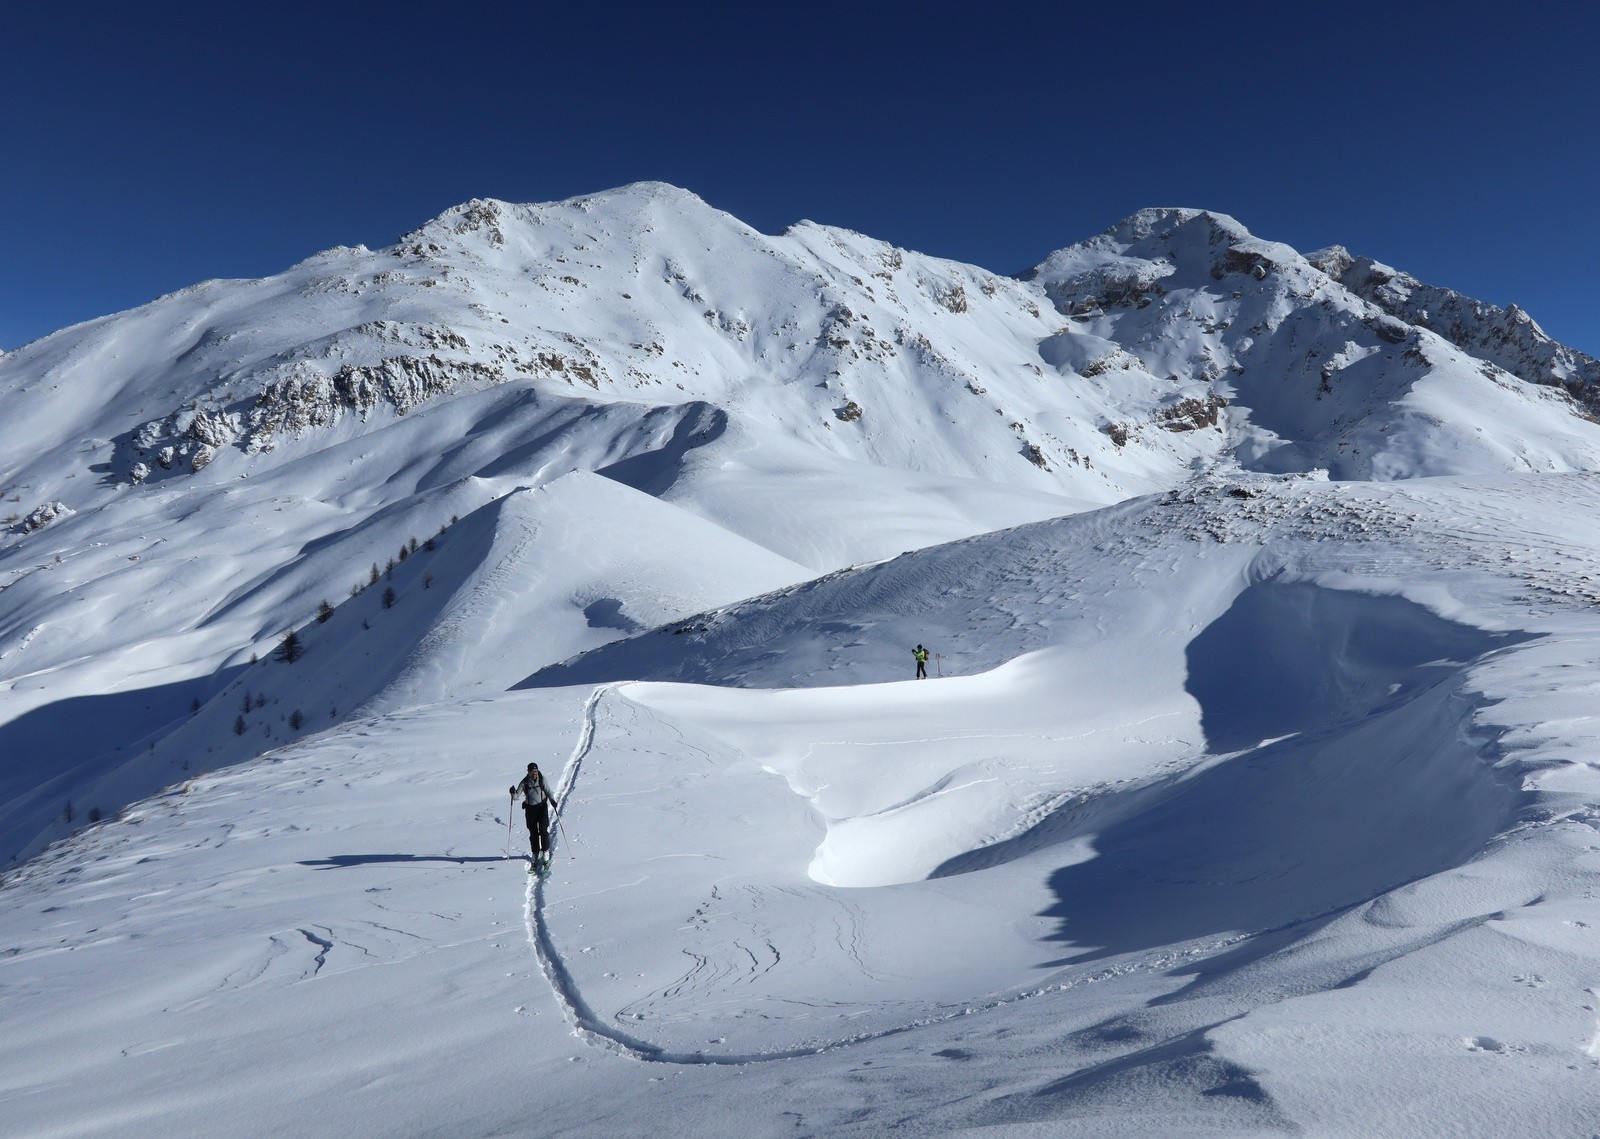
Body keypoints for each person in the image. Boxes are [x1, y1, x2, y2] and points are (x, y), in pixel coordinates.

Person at [510, 762, 556, 859]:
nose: (534, 773)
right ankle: (535, 852)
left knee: (543, 830)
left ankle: (545, 851)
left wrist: (552, 800)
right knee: (533, 832)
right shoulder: (524, 782)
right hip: (530, 809)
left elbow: (548, 791)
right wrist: (513, 793)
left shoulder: (542, 779)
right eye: (532, 771)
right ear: (528, 772)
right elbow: (516, 796)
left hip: (542, 807)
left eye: (536, 771)